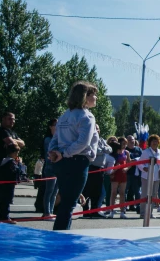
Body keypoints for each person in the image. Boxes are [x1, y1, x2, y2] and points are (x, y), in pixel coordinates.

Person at [48, 81, 99, 230]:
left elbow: (55, 138)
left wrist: (53, 153)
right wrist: (63, 153)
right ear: (85, 97)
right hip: (77, 162)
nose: (95, 97)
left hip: (62, 162)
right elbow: (83, 142)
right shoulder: (87, 117)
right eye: (93, 94)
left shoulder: (65, 115)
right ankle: (60, 236)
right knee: (69, 204)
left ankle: (59, 233)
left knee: (66, 201)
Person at [82, 123, 111, 218]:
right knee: (88, 190)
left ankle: (94, 210)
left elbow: (110, 149)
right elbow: (95, 151)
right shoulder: (89, 139)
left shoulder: (102, 140)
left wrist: (102, 149)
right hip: (92, 168)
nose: (97, 130)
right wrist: (103, 150)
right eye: (95, 128)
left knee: (97, 192)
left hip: (100, 169)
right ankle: (85, 211)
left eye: (98, 128)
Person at [0, 143, 23, 223]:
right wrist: (20, 164)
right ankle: (5, 217)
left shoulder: (3, 161)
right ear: (14, 153)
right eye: (17, 153)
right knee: (6, 201)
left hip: (0, 184)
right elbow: (17, 172)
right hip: (8, 185)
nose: (17, 154)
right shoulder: (12, 163)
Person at [139, 135, 160, 219]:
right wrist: (143, 168)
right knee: (145, 194)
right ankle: (143, 213)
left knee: (153, 195)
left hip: (156, 176)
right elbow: (139, 163)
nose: (154, 143)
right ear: (150, 143)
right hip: (146, 176)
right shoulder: (146, 152)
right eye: (153, 141)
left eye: (156, 141)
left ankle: (150, 213)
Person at [108, 139, 130, 219]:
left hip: (123, 173)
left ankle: (122, 212)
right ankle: (111, 211)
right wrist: (112, 172)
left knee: (122, 193)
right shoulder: (114, 152)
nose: (124, 145)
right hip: (115, 173)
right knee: (113, 193)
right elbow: (111, 163)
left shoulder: (126, 152)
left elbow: (129, 163)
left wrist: (127, 169)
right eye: (123, 143)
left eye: (126, 144)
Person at [42, 119, 60, 219]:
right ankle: (46, 212)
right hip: (50, 168)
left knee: (54, 192)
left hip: (57, 169)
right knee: (49, 191)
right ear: (50, 127)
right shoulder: (48, 139)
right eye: (55, 125)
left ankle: (51, 211)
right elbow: (50, 153)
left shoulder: (58, 139)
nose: (57, 127)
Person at [125, 135, 143, 214]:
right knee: (125, 191)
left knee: (137, 191)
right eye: (129, 140)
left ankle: (138, 206)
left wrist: (134, 160)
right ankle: (124, 206)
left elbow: (142, 159)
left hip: (137, 174)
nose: (131, 141)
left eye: (132, 140)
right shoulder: (125, 150)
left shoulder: (138, 149)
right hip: (126, 173)